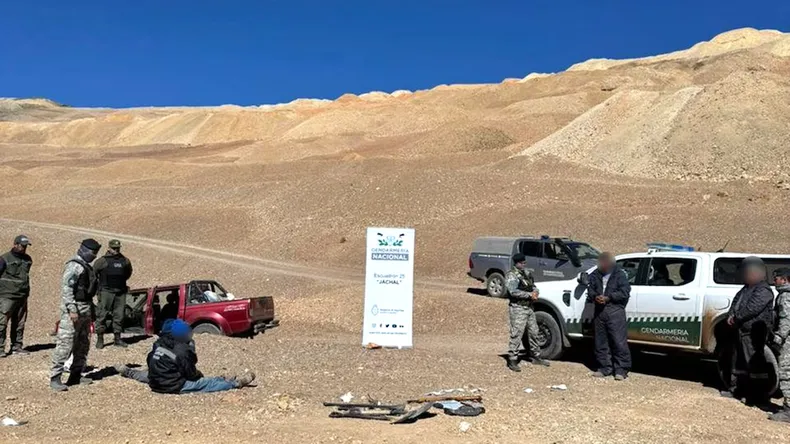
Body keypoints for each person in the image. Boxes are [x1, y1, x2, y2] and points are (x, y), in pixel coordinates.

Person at [145, 319, 255, 394]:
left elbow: (150, 360)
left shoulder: (160, 343)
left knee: (205, 380)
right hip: (171, 385)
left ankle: (221, 379)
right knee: (207, 384)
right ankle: (235, 384)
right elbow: (191, 374)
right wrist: (197, 372)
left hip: (155, 383)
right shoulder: (182, 350)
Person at [50, 238, 102, 391]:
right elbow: (67, 290)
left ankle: (76, 375)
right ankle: (55, 377)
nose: (94, 256)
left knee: (83, 344)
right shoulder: (74, 266)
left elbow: (87, 293)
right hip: (73, 312)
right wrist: (72, 309)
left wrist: (92, 310)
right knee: (65, 345)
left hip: (85, 310)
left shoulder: (87, 267)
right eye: (93, 253)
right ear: (84, 250)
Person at [722, 256, 775, 403]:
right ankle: (736, 390)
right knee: (738, 363)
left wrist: (737, 317)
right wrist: (730, 315)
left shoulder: (763, 290)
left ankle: (757, 395)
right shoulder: (746, 288)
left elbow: (752, 308)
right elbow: (735, 302)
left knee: (754, 365)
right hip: (740, 330)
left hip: (753, 332)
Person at [587, 252, 632, 380]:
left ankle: (621, 369)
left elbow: (625, 292)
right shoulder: (595, 274)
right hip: (599, 310)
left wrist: (609, 298)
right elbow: (590, 290)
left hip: (615, 310)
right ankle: (604, 367)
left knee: (618, 341)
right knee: (600, 341)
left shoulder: (620, 275)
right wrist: (595, 296)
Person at [505, 253, 549, 372]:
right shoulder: (511, 275)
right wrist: (529, 295)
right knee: (517, 333)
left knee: (534, 331)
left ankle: (536, 356)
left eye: (524, 263)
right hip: (518, 308)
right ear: (517, 263)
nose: (524, 265)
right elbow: (512, 291)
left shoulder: (527, 274)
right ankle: (512, 359)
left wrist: (535, 292)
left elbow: (533, 286)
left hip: (529, 307)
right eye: (522, 263)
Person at [93, 239, 133, 349]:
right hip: (106, 291)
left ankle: (117, 338)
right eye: (114, 248)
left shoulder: (125, 261)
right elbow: (93, 274)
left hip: (120, 292)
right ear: (109, 248)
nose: (116, 250)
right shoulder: (102, 261)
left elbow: (128, 273)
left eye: (118, 248)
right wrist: (98, 288)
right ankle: (100, 338)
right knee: (102, 315)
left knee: (119, 315)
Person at [0, 235, 33, 358]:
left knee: (20, 323)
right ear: (15, 244)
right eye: (22, 245)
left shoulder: (28, 260)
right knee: (1, 323)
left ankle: (17, 346)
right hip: (6, 297)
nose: (24, 248)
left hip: (22, 296)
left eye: (25, 246)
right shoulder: (4, 259)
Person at [770, 268, 790, 423]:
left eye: (776, 278)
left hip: (787, 342)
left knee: (786, 373)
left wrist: (778, 338)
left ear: (784, 280)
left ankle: (788, 410)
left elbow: (786, 320)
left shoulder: (785, 296)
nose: (774, 281)